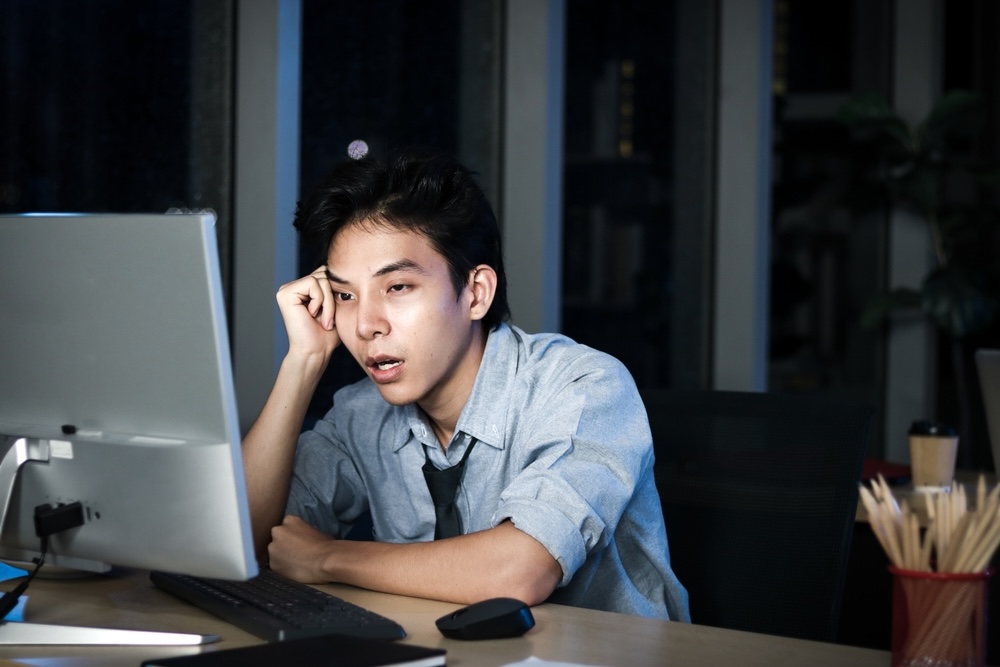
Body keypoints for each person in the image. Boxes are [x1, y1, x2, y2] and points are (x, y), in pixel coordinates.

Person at [241, 151, 690, 621]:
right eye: (346, 295)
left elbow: (519, 572)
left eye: (397, 287)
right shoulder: (361, 415)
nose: (366, 325)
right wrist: (303, 362)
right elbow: (247, 547)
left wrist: (326, 557)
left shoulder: (584, 387)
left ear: (476, 292)